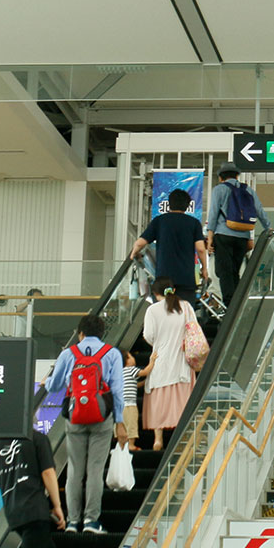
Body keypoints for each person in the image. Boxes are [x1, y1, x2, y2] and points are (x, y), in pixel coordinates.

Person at [43, 313, 128, 533]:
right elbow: (118, 390)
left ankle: (72, 522)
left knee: (74, 471)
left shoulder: (68, 354)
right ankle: (91, 521)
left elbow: (55, 386)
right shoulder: (112, 354)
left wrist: (47, 381)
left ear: (80, 333)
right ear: (102, 333)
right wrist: (120, 422)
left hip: (75, 416)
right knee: (95, 470)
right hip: (102, 417)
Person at [142, 279, 196, 451]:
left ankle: (158, 440)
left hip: (160, 360)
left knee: (159, 401)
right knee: (182, 402)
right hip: (182, 361)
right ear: (173, 289)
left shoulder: (152, 310)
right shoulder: (185, 306)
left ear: (155, 293)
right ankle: (184, 438)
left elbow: (148, 335)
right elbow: (194, 329)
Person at [131, 188, 210, 302]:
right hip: (186, 279)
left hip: (164, 279)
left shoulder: (159, 221)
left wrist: (133, 254)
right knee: (184, 314)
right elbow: (201, 249)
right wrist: (204, 269)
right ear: (187, 206)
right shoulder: (194, 223)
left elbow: (140, 243)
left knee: (163, 312)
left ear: (169, 204)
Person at [206, 165, 269, 306]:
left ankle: (230, 304)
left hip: (223, 234)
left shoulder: (219, 189)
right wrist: (269, 228)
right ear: (237, 176)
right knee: (235, 271)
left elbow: (213, 214)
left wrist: (210, 237)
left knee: (224, 271)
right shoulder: (248, 190)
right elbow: (259, 211)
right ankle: (237, 302)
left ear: (221, 177)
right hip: (242, 237)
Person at [121, 350, 153, 451]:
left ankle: (122, 445)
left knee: (123, 425)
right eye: (130, 357)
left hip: (120, 406)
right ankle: (131, 445)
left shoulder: (120, 372)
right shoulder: (131, 369)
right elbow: (145, 371)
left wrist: (143, 383)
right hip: (130, 405)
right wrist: (152, 361)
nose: (133, 358)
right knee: (132, 425)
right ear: (127, 361)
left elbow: (134, 385)